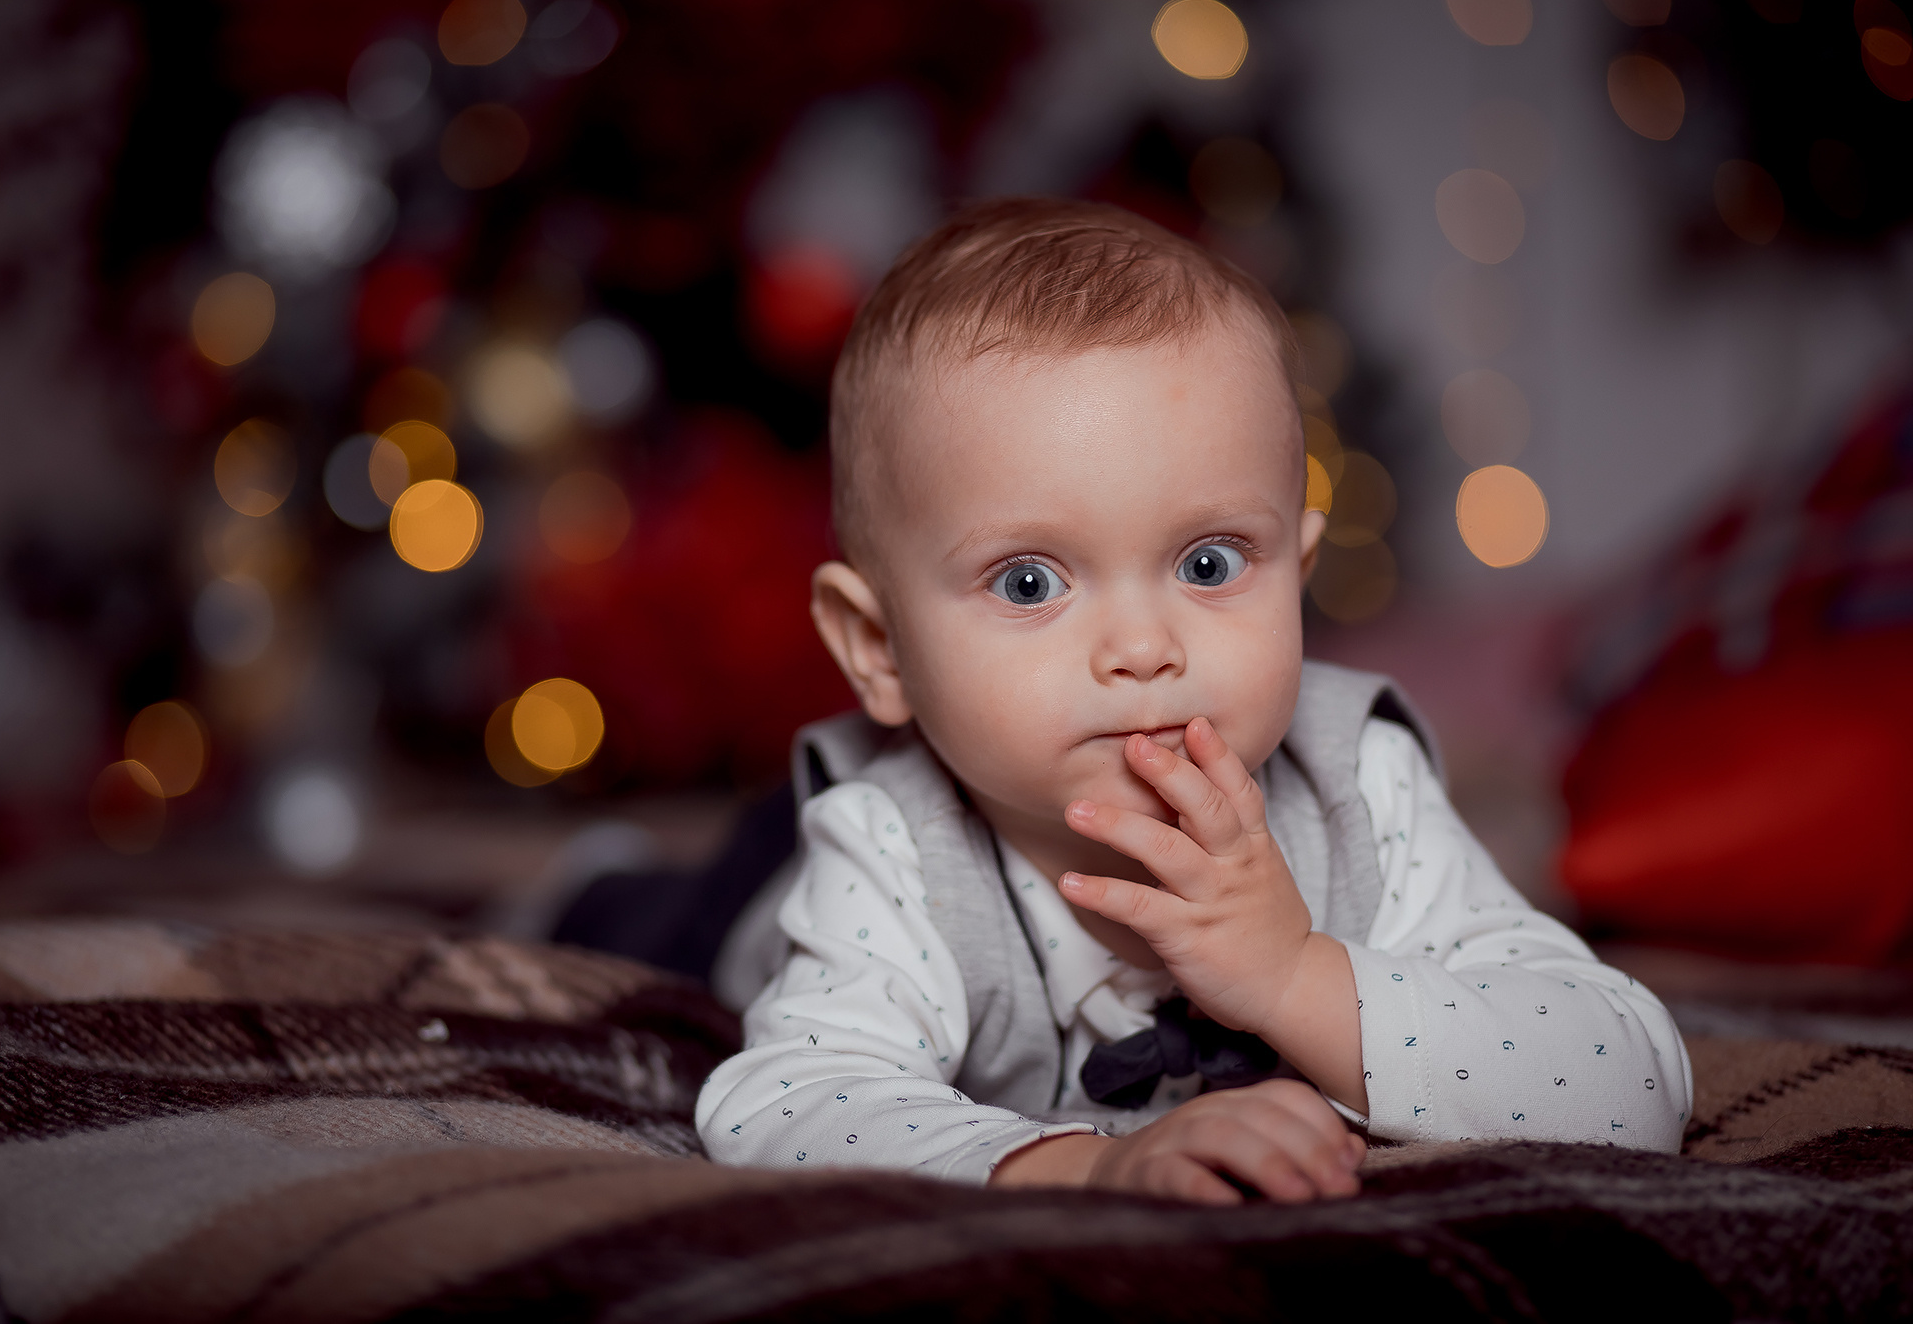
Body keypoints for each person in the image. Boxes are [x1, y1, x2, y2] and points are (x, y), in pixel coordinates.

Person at [695, 197, 1692, 1205]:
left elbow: (1629, 1087)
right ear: (879, 648)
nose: (1142, 647)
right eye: (1029, 582)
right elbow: (784, 1099)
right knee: (679, 917)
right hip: (770, 882)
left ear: (1293, 574)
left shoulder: (1356, 788)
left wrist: (1293, 973)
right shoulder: (891, 843)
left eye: (1208, 563)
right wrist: (1091, 1163)